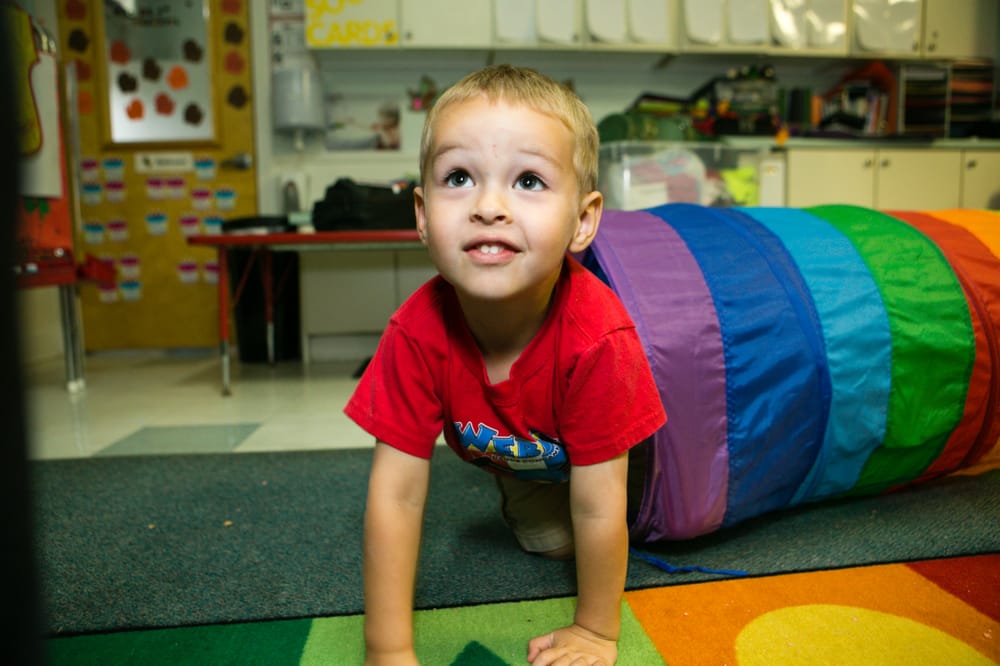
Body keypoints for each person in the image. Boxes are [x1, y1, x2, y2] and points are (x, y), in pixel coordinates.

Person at [344, 64, 666, 666]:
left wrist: (597, 632)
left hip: (620, 463)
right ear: (421, 214)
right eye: (459, 177)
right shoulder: (415, 334)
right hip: (529, 453)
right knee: (551, 544)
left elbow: (600, 504)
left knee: (637, 524)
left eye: (529, 181)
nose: (489, 206)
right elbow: (397, 497)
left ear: (583, 221)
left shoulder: (600, 337)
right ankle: (519, 469)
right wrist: (387, 651)